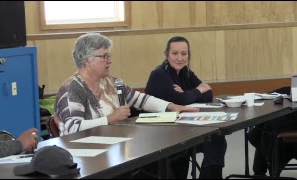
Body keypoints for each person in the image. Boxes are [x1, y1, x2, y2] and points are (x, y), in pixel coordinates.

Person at [53, 32, 199, 178]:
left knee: (160, 160)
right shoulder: (72, 88)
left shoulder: (110, 82)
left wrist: (171, 106)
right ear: (87, 61)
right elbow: (73, 127)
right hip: (87, 158)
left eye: (109, 56)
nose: (109, 61)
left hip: (112, 148)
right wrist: (110, 119)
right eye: (104, 56)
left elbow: (139, 99)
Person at [145, 36, 227, 179]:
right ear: (166, 54)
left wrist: (188, 94)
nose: (180, 58)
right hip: (161, 131)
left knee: (216, 139)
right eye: (175, 53)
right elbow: (180, 100)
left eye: (184, 54)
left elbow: (208, 93)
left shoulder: (186, 73)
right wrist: (195, 92)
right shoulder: (159, 74)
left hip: (184, 126)